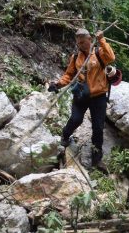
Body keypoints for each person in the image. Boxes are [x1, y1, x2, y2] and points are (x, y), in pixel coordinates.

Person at [48, 28, 116, 167]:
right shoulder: (75, 57)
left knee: (98, 127)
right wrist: (58, 84)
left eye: (83, 42)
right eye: (79, 43)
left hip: (99, 96)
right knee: (76, 119)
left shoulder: (98, 53)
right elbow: (69, 74)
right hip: (81, 94)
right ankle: (65, 136)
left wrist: (102, 39)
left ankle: (96, 153)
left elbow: (111, 57)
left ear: (90, 39)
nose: (81, 45)